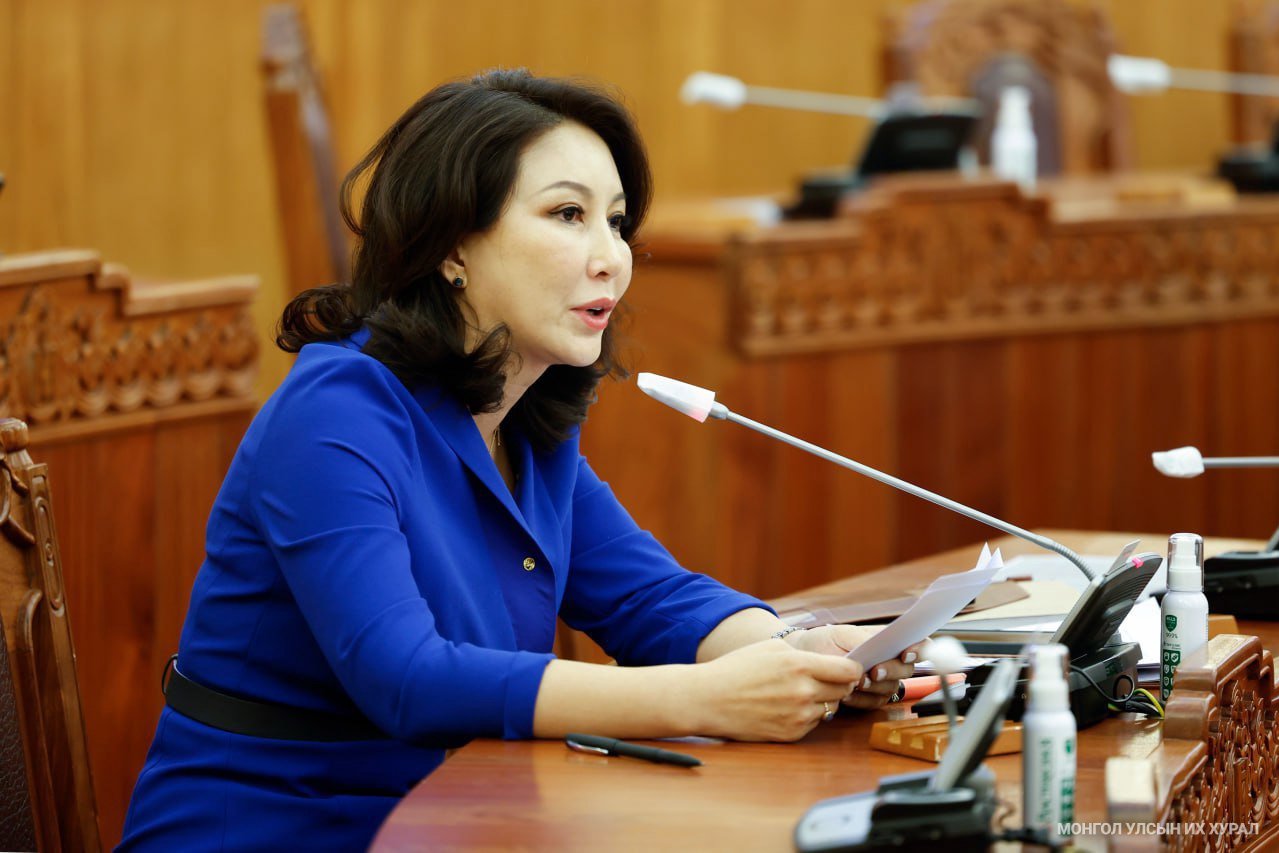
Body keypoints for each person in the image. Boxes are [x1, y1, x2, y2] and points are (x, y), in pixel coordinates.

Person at [118, 69, 915, 851]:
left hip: (453, 816)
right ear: (452, 245)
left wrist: (791, 653)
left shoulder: (525, 418)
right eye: (568, 214)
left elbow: (650, 597)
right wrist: (703, 697)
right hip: (276, 822)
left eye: (616, 221)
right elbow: (406, 677)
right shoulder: (334, 412)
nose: (611, 256)